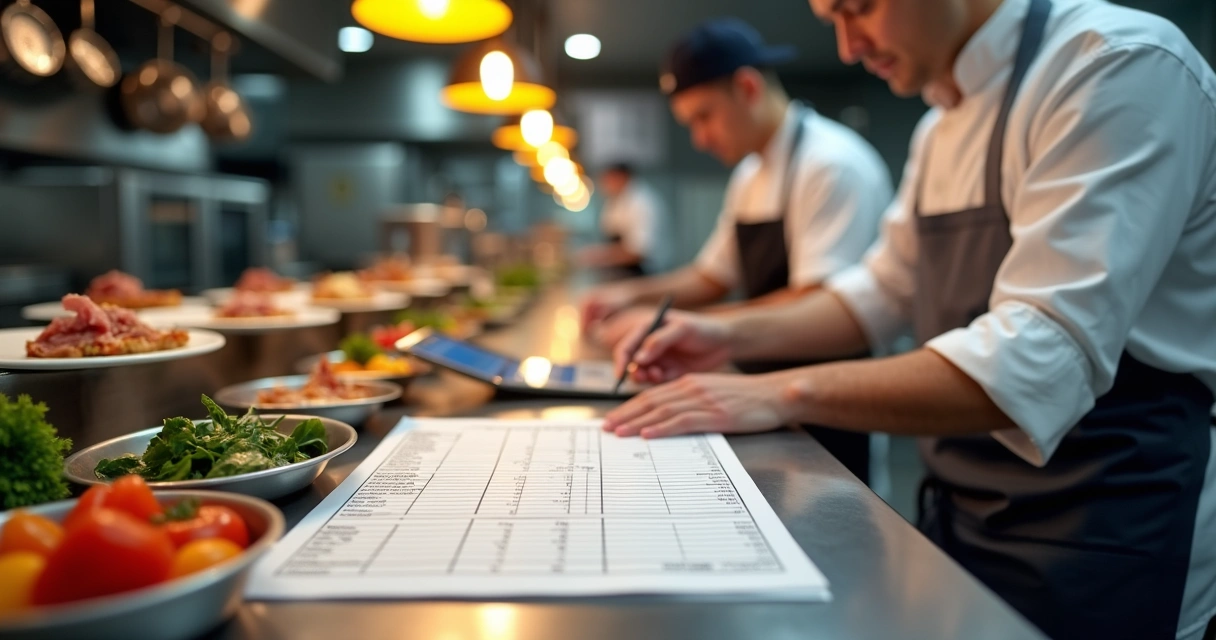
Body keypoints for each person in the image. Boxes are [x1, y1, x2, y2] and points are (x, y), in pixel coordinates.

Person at [603, 0, 1216, 638]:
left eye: (859, 8)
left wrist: (776, 392)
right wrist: (724, 334)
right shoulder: (940, 125)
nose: (845, 46)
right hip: (963, 507)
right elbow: (878, 290)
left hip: (1108, 526)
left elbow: (1039, 353)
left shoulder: (1115, 64)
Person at [582, 18, 893, 484]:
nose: (699, 139)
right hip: (759, 389)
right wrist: (633, 298)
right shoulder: (751, 173)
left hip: (830, 407)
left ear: (747, 87)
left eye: (704, 117)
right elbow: (712, 276)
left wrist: (689, 327)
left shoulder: (831, 166)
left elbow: (820, 302)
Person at [576, 163, 663, 278]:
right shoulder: (614, 201)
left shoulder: (643, 203)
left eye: (607, 179)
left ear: (621, 177)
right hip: (621, 273)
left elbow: (639, 252)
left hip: (644, 275)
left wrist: (597, 256)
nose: (603, 185)